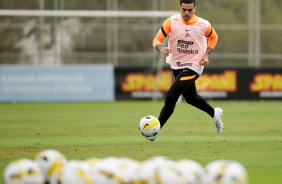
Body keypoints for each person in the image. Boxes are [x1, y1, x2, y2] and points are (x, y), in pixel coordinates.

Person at [146, 0, 223, 141]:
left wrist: (206, 54)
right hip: (177, 65)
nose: (187, 13)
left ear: (195, 9)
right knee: (191, 98)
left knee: (171, 96)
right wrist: (160, 47)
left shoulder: (203, 24)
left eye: (190, 10)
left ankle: (154, 131)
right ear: (180, 8)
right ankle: (214, 113)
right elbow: (157, 39)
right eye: (184, 10)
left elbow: (214, 37)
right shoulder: (171, 22)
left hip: (194, 66)